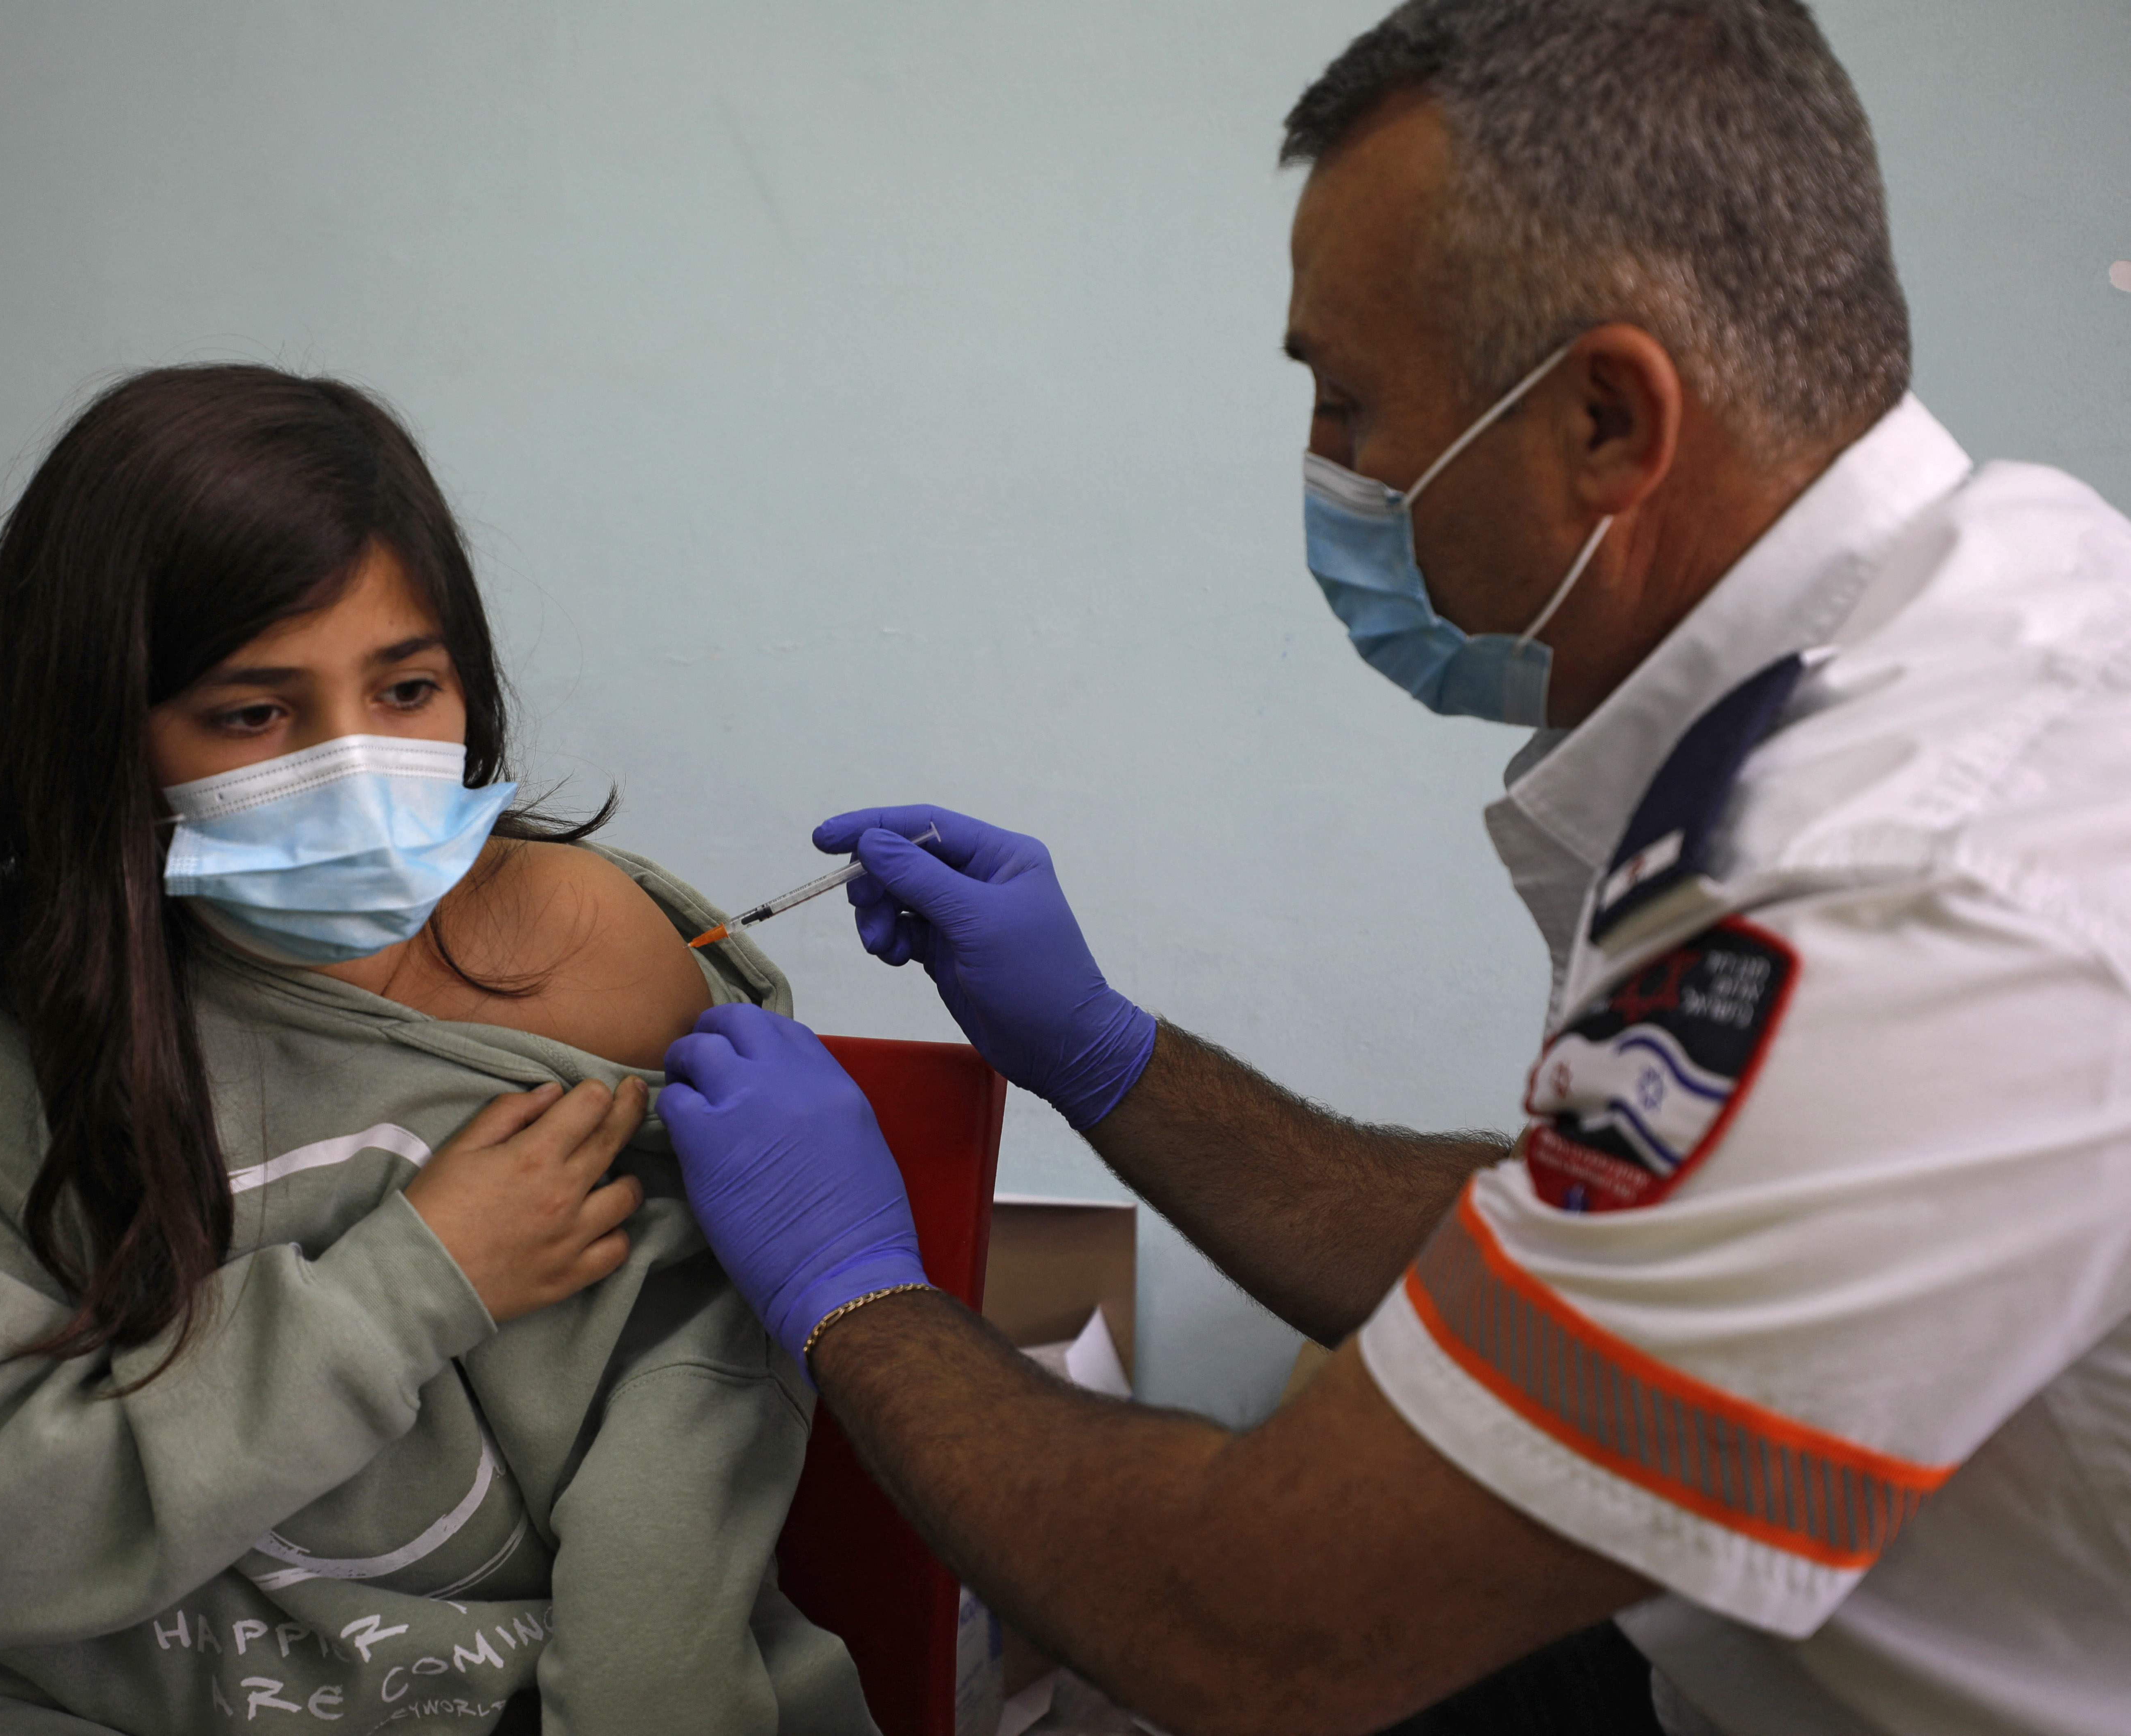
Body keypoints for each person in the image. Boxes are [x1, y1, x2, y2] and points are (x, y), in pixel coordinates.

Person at [656, 4, 2131, 1734]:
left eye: (1351, 404)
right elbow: (1579, 1259)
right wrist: (1100, 1055)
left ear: (1608, 419)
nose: (1333, 477)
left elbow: (1263, 1627)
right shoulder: (1967, 608)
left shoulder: (1919, 891)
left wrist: (857, 1291)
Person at [0, 365, 875, 1734]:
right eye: (252, 714)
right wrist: (413, 1283)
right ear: (93, 728)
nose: (357, 769)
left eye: (408, 686)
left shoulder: (583, 960)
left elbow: (682, 1460)